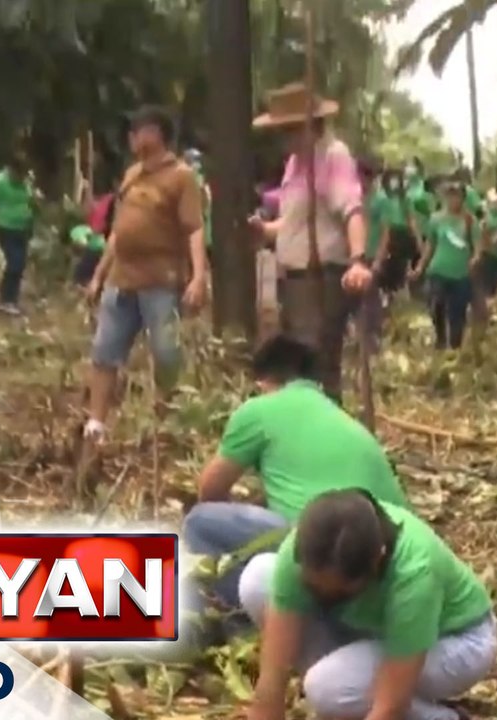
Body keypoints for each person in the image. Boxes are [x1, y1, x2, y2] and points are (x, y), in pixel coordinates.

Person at [181, 335, 408, 610]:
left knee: (200, 521)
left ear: (263, 382)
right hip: (391, 554)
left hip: (323, 545)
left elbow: (210, 490)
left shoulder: (260, 409)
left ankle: (241, 616)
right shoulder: (338, 415)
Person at [240, 489, 497, 720]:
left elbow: (390, 708)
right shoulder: (305, 547)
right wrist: (266, 706)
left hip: (456, 641)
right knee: (259, 578)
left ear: (377, 561)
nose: (324, 596)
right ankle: (348, 692)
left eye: (339, 591)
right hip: (376, 626)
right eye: (314, 587)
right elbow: (272, 680)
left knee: (327, 688)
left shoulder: (415, 572)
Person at [83, 106, 208, 441]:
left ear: (156, 134)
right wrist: (98, 275)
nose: (132, 138)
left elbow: (194, 228)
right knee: (104, 351)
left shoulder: (181, 177)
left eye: (138, 131)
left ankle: (164, 422)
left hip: (161, 281)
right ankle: (95, 424)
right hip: (121, 280)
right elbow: (118, 232)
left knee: (166, 353)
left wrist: (199, 277)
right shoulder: (132, 174)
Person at [247, 83, 373, 405]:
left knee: (316, 363)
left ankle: (328, 437)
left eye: (290, 130)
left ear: (308, 126)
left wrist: (358, 260)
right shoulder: (295, 163)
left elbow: (351, 209)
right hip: (294, 279)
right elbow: (294, 225)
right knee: (298, 367)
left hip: (322, 277)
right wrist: (265, 230)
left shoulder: (333, 155)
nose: (285, 140)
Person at [411, 183, 479, 351]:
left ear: (462, 198)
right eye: (449, 195)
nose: (452, 199)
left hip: (461, 274)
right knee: (436, 305)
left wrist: (475, 259)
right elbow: (430, 246)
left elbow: (478, 246)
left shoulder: (469, 220)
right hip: (438, 271)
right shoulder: (436, 219)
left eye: (456, 196)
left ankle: (455, 347)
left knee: (458, 313)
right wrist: (420, 267)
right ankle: (440, 338)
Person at [0, 155, 37, 315]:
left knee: (20, 264)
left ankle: (10, 298)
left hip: (23, 228)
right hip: (4, 226)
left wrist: (32, 220)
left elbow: (30, 202)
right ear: (11, 170)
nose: (20, 177)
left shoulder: (25, 182)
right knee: (15, 262)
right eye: (18, 173)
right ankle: (6, 300)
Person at [358, 157, 393, 353]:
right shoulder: (353, 196)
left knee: (371, 298)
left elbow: (385, 232)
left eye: (366, 177)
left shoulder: (381, 200)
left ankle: (373, 337)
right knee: (355, 298)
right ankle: (360, 337)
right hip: (356, 255)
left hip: (372, 255)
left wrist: (379, 259)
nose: (363, 181)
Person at [477, 189, 497, 299]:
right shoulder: (484, 215)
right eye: (493, 202)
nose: (496, 204)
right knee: (486, 285)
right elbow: (482, 234)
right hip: (487, 255)